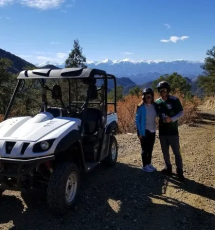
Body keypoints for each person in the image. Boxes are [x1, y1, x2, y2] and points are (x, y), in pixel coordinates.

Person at [154, 81, 185, 181]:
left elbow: (181, 112)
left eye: (164, 90)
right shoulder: (157, 102)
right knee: (165, 152)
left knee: (177, 152)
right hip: (162, 132)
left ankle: (179, 171)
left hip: (173, 132)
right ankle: (168, 168)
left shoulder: (174, 100)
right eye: (160, 90)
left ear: (168, 90)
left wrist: (172, 119)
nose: (162, 92)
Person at [135, 88, 157, 172]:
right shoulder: (141, 108)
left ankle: (149, 163)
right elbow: (137, 120)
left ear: (152, 97)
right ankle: (144, 166)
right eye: (147, 97)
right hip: (144, 131)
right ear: (143, 97)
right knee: (145, 149)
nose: (148, 99)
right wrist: (139, 132)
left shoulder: (154, 106)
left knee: (150, 148)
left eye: (150, 97)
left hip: (153, 130)